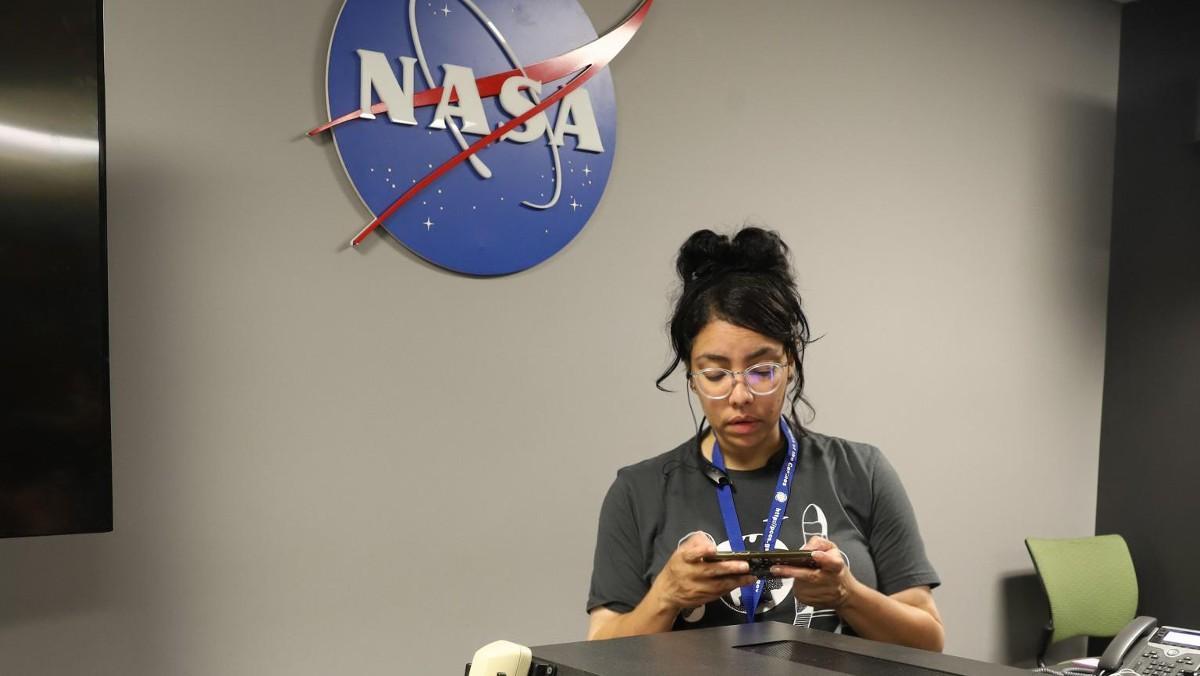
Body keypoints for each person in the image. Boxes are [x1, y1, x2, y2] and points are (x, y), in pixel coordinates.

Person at [585, 227, 944, 650]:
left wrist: (847, 594)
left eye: (761, 370)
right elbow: (599, 649)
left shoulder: (860, 471)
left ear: (789, 362)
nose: (740, 395)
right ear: (691, 377)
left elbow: (928, 641)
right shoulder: (638, 491)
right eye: (716, 374)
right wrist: (666, 596)